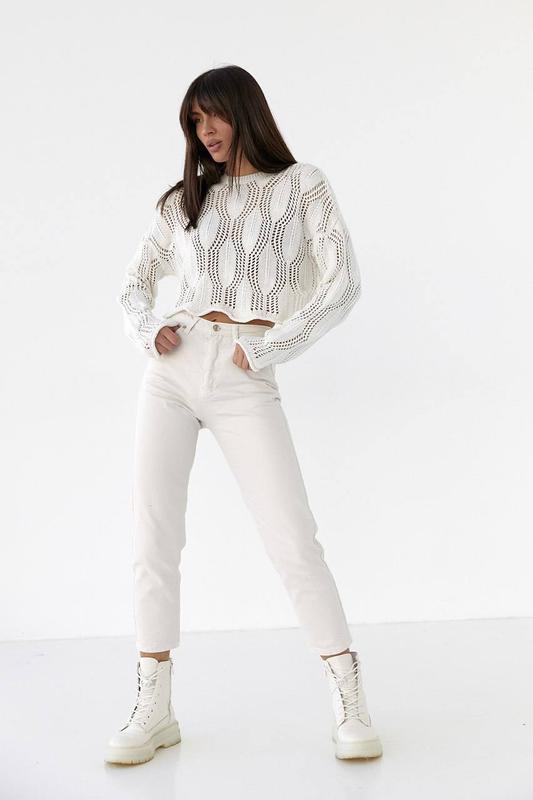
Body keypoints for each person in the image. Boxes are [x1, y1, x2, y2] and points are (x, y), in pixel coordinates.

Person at [104, 64, 383, 765]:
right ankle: (153, 705)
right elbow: (133, 284)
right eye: (194, 122)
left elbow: (343, 282)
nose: (205, 132)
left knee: (292, 539)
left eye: (213, 116)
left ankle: (348, 696)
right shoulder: (183, 201)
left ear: (244, 110)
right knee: (152, 536)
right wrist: (150, 330)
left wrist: (269, 347)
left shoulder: (301, 186)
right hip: (172, 370)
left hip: (243, 371)